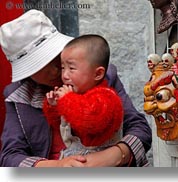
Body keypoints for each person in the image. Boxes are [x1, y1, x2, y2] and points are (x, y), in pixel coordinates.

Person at [0, 9, 152, 167]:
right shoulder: (18, 97)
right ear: (28, 73)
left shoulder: (98, 77)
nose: (55, 71)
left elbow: (139, 128)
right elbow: (10, 156)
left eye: (55, 59)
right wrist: (56, 167)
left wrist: (113, 156)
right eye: (39, 66)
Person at [43, 34, 124, 160]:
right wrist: (54, 106)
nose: (64, 75)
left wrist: (66, 100)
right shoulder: (75, 96)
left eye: (71, 68)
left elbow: (90, 121)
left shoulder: (106, 97)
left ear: (98, 73)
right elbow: (60, 124)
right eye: (63, 68)